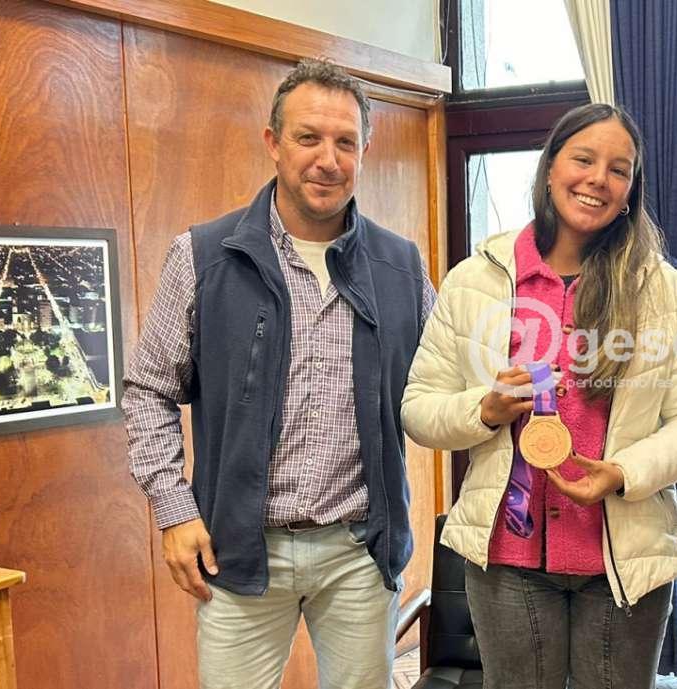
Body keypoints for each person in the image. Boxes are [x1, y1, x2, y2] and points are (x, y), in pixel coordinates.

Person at [122, 58, 434, 689]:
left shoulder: (401, 266)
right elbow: (148, 389)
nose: (328, 160)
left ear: (364, 150)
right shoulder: (205, 256)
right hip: (238, 550)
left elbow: (443, 380)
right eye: (308, 137)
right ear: (273, 142)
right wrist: (175, 511)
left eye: (345, 142)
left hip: (359, 552)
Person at [402, 103, 677, 689]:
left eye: (618, 169)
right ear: (550, 168)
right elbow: (420, 408)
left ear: (630, 191)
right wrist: (483, 410)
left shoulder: (664, 291)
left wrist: (623, 472)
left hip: (624, 556)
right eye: (583, 159)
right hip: (509, 556)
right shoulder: (474, 280)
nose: (598, 179)